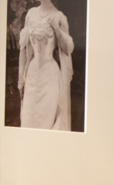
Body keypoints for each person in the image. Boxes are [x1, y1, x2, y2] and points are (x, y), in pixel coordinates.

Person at [17, 0, 73, 131]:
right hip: (32, 74)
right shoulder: (31, 14)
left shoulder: (59, 17)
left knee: (45, 122)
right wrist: (21, 79)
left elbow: (67, 49)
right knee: (28, 119)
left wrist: (57, 28)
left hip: (50, 77)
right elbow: (23, 49)